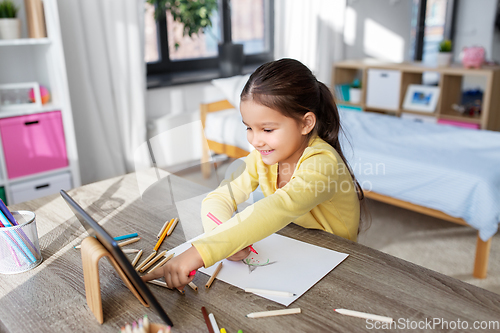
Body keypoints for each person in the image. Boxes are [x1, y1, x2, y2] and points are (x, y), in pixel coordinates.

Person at [142, 58, 364, 290]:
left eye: (267, 129)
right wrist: (224, 239)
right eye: (249, 127)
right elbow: (218, 198)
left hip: (337, 267)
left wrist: (201, 251)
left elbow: (276, 208)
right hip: (297, 253)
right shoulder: (263, 158)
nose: (255, 140)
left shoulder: (323, 163)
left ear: (306, 123)